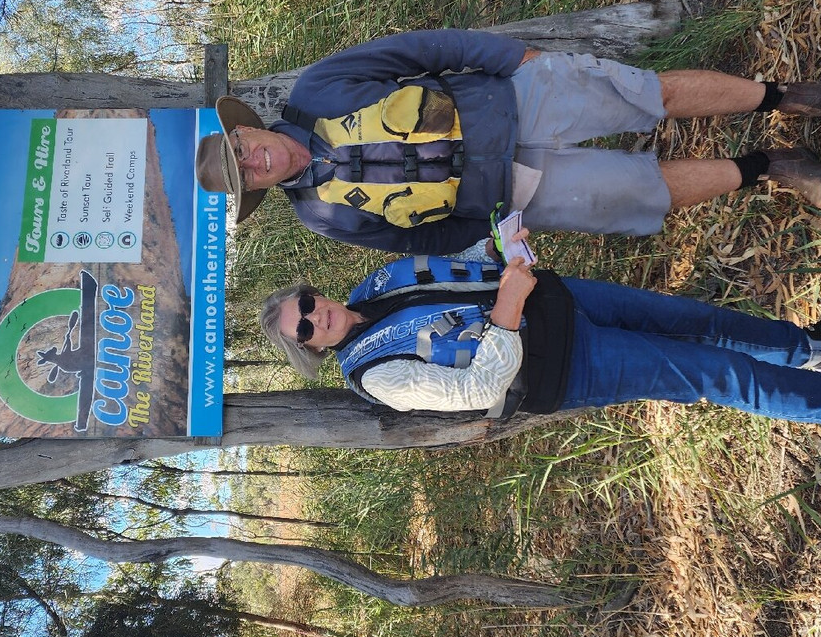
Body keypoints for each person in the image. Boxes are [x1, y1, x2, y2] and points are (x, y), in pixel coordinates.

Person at [196, 29, 821, 254]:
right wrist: (491, 218)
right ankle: (771, 164)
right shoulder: (321, 215)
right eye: (245, 174)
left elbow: (419, 49)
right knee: (643, 192)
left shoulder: (319, 88)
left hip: (514, 100)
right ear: (256, 188)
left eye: (241, 148)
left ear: (247, 125)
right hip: (513, 192)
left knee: (651, 95)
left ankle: (782, 96)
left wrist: (511, 58)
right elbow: (418, 238)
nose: (253, 161)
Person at [258, 230, 821, 422]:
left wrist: (502, 246)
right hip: (568, 364)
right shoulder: (374, 375)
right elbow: (476, 391)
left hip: (562, 298)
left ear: (313, 292)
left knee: (702, 320)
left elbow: (461, 266)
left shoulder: (373, 287)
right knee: (714, 374)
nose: (314, 317)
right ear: (311, 350)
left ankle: (806, 348)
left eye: (305, 304)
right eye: (303, 330)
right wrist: (508, 307)